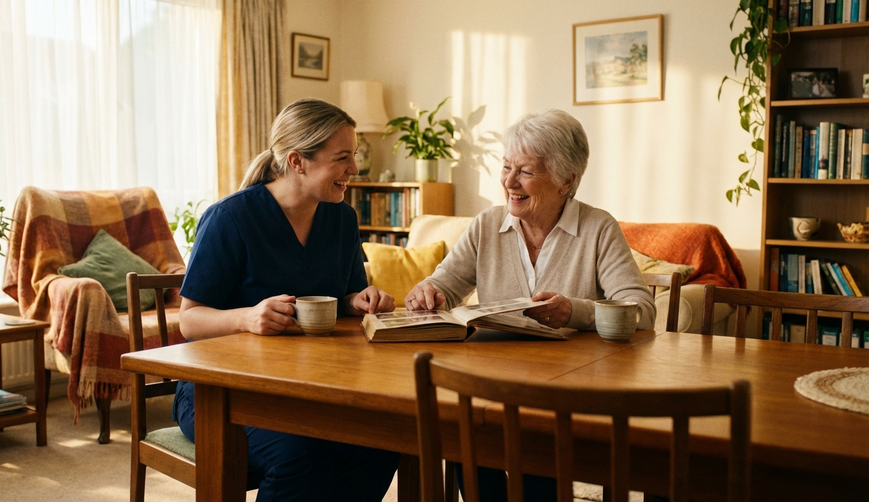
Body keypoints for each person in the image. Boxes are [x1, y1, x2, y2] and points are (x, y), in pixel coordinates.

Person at [404, 108, 656, 501]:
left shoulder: (598, 228)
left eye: (525, 171)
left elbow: (641, 308)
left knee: (539, 474)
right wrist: (428, 291)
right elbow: (445, 284)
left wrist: (575, 311)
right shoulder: (488, 224)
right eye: (506, 167)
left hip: (565, 395)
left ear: (566, 180)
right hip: (489, 388)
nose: (508, 182)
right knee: (463, 439)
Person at [173, 98, 400, 502]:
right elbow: (189, 320)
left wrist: (361, 300)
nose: (355, 169)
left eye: (355, 156)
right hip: (218, 390)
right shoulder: (230, 218)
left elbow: (347, 295)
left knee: (380, 443)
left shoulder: (341, 217)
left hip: (310, 384)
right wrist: (246, 318)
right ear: (298, 161)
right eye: (343, 157)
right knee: (302, 456)